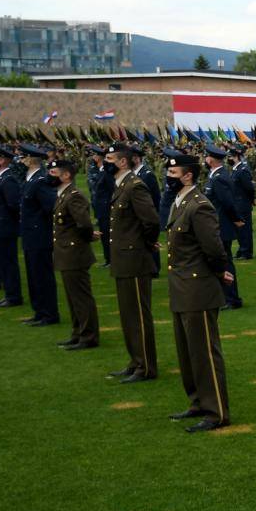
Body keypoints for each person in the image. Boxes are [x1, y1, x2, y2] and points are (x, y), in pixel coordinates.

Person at [162, 151, 233, 431]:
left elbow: (213, 248)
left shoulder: (198, 205)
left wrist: (218, 271)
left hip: (197, 287)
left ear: (188, 175)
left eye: (173, 174)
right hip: (181, 287)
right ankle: (197, 401)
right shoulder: (179, 202)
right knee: (187, 352)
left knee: (204, 352)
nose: (168, 178)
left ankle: (216, 411)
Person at [106, 143, 160, 383]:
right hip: (124, 259)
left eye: (109, 158)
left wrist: (145, 245)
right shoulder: (121, 186)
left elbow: (150, 221)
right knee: (128, 315)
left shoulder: (135, 187)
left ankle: (146, 366)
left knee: (138, 315)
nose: (104, 162)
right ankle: (135, 360)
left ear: (123, 162)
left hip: (135, 258)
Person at [48, 156, 100, 351]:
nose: (49, 176)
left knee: (80, 297)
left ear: (66, 175)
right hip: (66, 252)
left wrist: (87, 237)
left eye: (53, 173)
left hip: (74, 252)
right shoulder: (63, 194)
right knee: (72, 297)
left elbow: (85, 223)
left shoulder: (74, 195)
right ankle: (78, 332)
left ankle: (88, 336)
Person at [18, 144, 59, 327]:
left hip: (39, 235)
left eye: (22, 157)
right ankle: (39, 311)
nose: (20, 160)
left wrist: (41, 224)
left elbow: (51, 205)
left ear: (30, 159)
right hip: (30, 234)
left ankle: (49, 313)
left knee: (42, 276)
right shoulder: (31, 178)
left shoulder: (41, 180)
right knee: (33, 276)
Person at [203, 145, 243, 310]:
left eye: (206, 157)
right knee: (222, 261)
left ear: (211, 159)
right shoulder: (216, 175)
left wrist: (236, 219)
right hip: (218, 224)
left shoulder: (219, 177)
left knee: (225, 262)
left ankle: (231, 299)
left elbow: (227, 202)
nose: (205, 159)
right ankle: (226, 297)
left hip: (221, 226)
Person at [0, 145, 24, 309]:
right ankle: (9, 293)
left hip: (5, 228)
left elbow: (14, 205)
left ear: (2, 160)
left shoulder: (8, 179)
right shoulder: (0, 177)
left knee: (8, 263)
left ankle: (14, 295)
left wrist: (9, 223)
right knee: (4, 262)